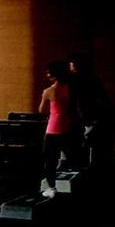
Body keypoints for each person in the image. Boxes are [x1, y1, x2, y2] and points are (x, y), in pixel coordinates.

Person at [68, 53, 111, 167]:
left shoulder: (77, 80)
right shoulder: (93, 78)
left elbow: (77, 100)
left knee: (86, 143)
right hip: (91, 116)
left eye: (71, 64)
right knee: (91, 145)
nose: (70, 67)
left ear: (75, 65)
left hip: (87, 116)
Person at [39, 60, 73, 195]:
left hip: (53, 128)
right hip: (67, 127)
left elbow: (41, 110)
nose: (47, 75)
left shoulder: (49, 91)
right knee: (67, 153)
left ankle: (51, 188)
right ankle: (64, 160)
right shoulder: (70, 89)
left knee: (49, 160)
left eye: (49, 73)